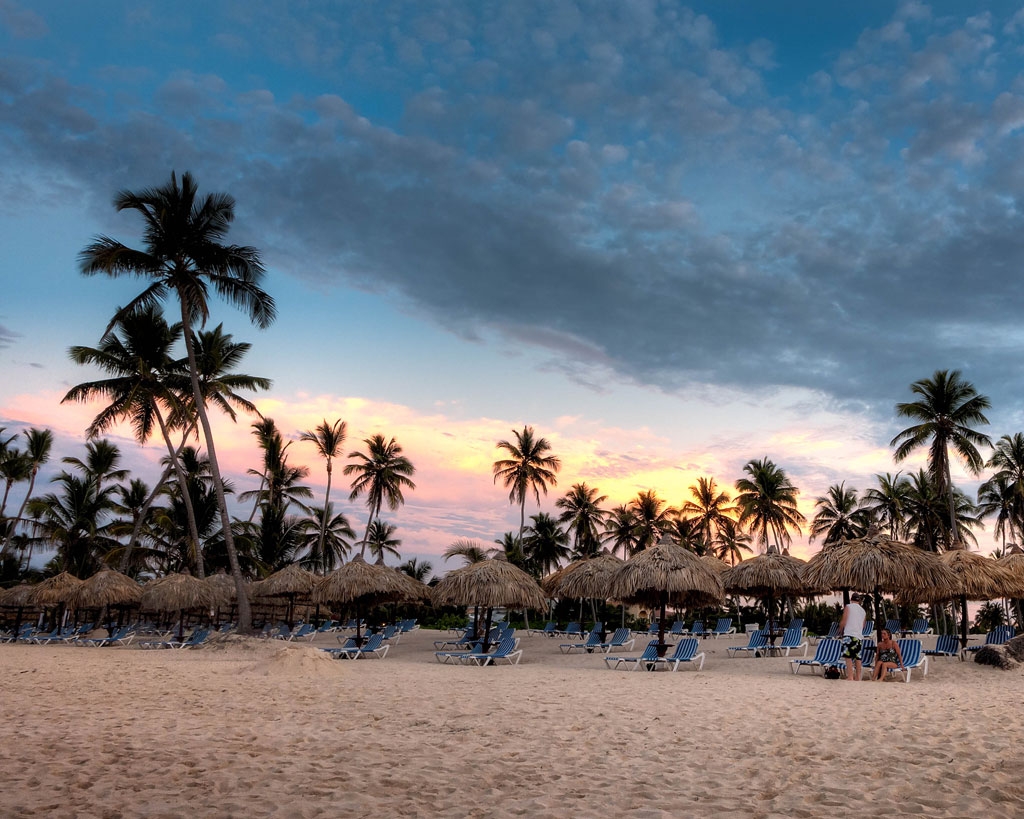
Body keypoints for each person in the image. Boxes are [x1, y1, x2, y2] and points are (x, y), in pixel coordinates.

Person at [839, 593, 866, 681]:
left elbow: (844, 620)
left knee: (848, 656)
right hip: (858, 636)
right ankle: (858, 677)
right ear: (859, 601)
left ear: (851, 599)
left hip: (849, 634)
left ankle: (850, 676)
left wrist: (840, 629)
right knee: (858, 657)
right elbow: (863, 625)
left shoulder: (848, 607)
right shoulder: (863, 611)